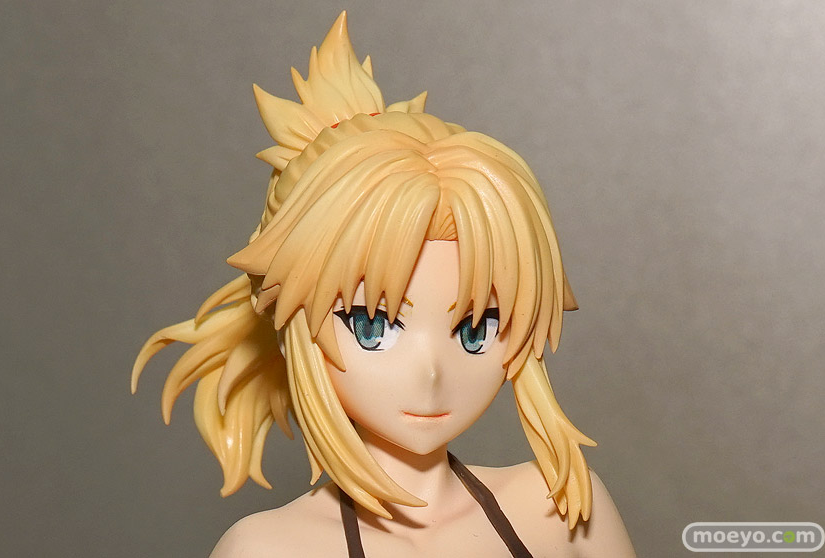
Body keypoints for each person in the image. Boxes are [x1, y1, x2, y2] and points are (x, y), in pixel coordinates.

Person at [133, 12, 636, 557]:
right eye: (373, 326)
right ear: (290, 318)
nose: (431, 373)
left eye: (476, 328)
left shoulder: (559, 509)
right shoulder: (269, 549)